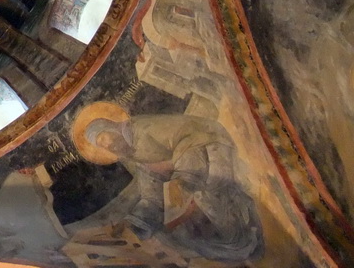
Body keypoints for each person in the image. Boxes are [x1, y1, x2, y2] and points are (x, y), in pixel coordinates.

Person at [74, 106, 263, 262]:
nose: (111, 147)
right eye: (105, 147)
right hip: (190, 173)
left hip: (211, 147)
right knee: (173, 232)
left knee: (208, 199)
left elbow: (191, 134)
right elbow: (151, 196)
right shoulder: (134, 155)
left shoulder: (144, 128)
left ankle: (247, 241)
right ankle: (238, 251)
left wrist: (183, 178)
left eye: (109, 140)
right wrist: (132, 224)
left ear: (115, 128)